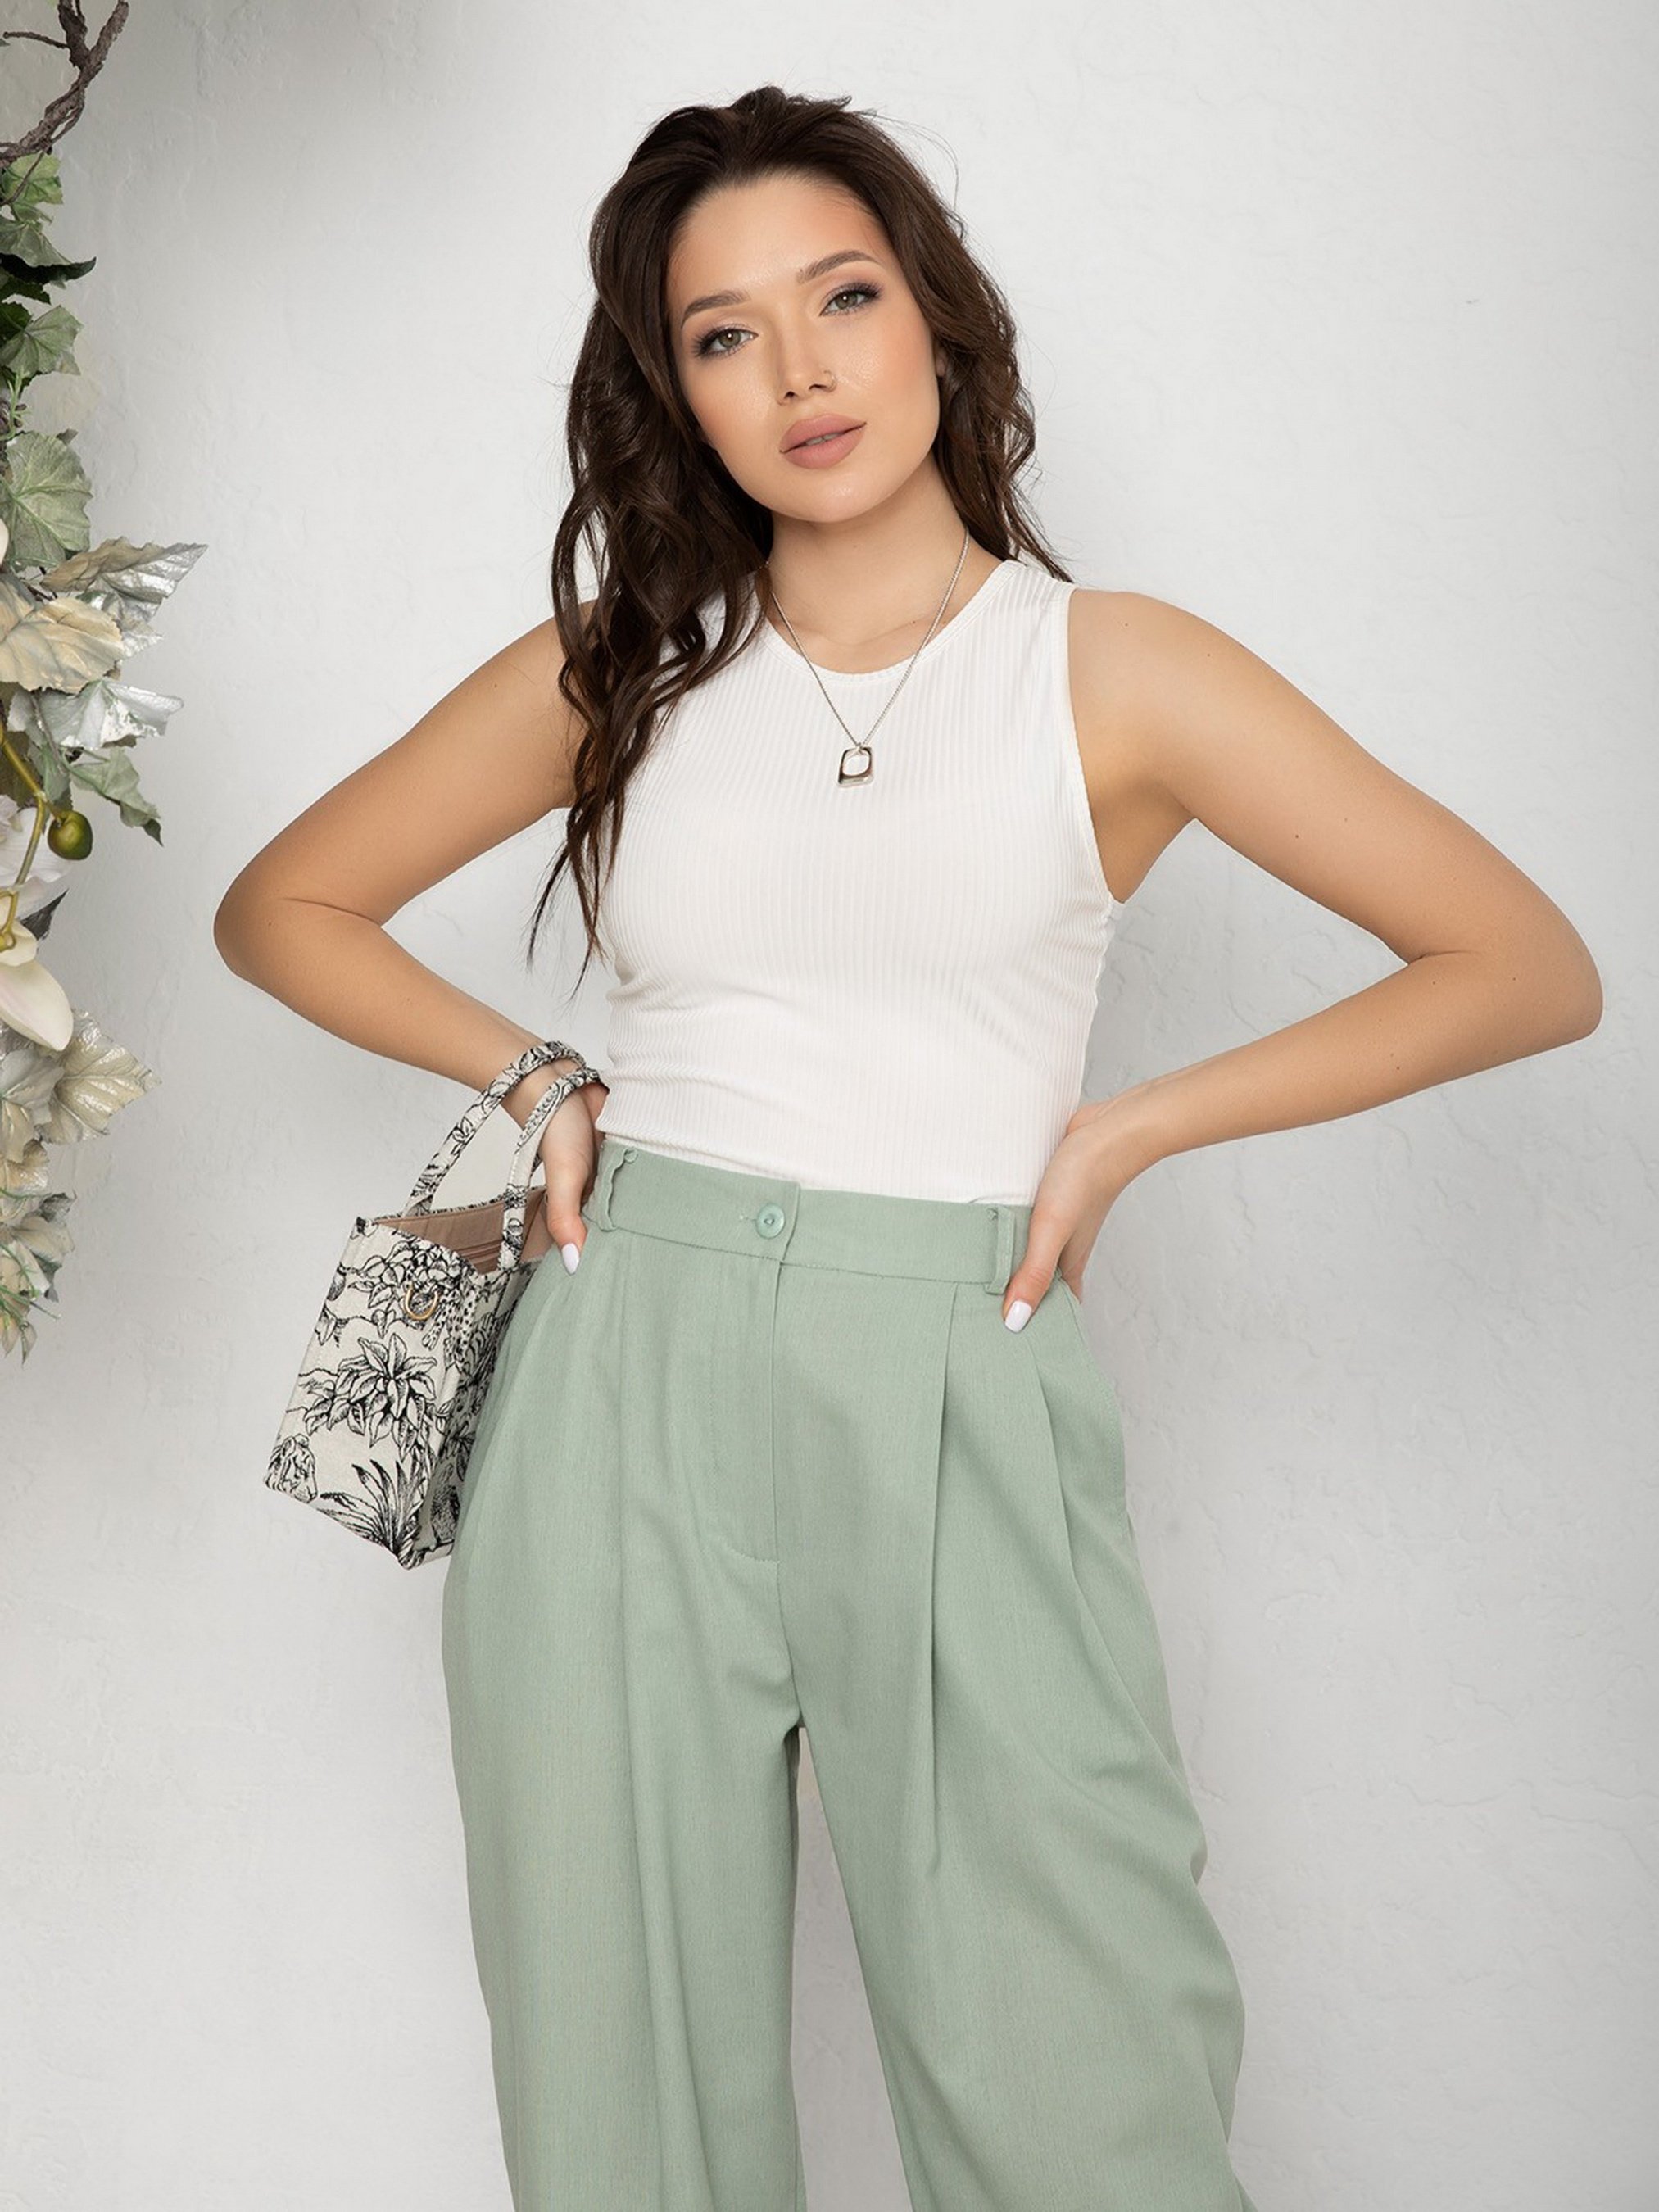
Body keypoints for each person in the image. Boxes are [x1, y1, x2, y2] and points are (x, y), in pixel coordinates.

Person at [213, 84, 1602, 2212]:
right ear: (676, 391)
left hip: (961, 1359)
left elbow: (1520, 962)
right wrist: (542, 1077)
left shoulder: (1116, 672)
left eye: (842, 296)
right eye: (724, 332)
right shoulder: (622, 668)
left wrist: (1136, 1124)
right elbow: (283, 903)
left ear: (936, 315)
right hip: (617, 1365)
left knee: (1080, 2084)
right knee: (618, 2100)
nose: (800, 368)